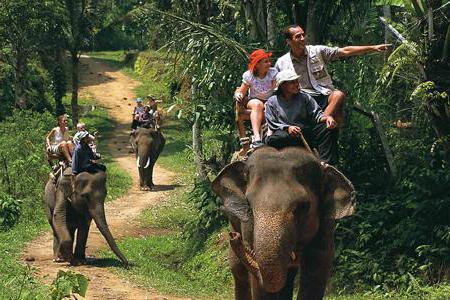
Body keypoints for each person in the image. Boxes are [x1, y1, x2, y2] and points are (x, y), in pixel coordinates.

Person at [275, 25, 391, 126]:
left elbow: (344, 51)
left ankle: (320, 123)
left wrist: (372, 48)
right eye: (298, 36)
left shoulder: (317, 51)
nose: (302, 39)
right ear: (289, 41)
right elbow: (276, 88)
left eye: (303, 35)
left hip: (323, 94)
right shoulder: (282, 63)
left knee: (338, 95)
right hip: (302, 99)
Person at [265, 69, 338, 164]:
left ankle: (326, 163)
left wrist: (328, 118)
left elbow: (317, 115)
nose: (297, 84)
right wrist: (288, 128)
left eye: (296, 81)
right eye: (292, 82)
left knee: (328, 128)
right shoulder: (272, 101)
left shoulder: (305, 97)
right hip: (286, 135)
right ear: (283, 85)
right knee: (274, 140)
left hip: (304, 132)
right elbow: (272, 123)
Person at [234, 49, 278, 149]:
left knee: (269, 104)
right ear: (257, 64)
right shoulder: (249, 75)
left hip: (269, 100)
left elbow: (276, 90)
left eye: (269, 61)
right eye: (265, 62)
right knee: (257, 104)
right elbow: (241, 91)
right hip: (253, 100)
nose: (269, 63)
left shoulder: (272, 73)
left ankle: (269, 134)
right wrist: (238, 94)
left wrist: (272, 98)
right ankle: (256, 138)